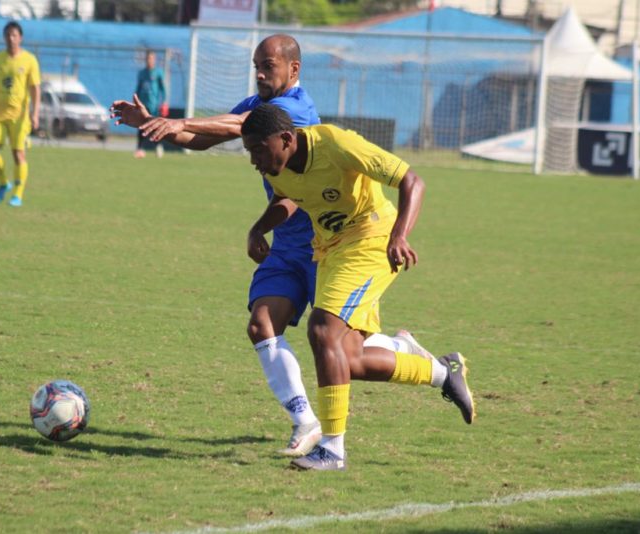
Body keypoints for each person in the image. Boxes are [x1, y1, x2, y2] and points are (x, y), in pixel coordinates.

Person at [112, 35, 435, 458]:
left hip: (331, 243)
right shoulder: (258, 109)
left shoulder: (295, 112)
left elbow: (233, 126)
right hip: (288, 241)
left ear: (293, 71)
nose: (261, 74)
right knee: (261, 325)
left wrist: (181, 121)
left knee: (346, 352)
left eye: (269, 66)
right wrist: (155, 124)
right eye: (256, 66)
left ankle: (403, 355)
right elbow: (212, 138)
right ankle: (306, 421)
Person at [240, 103, 476, 471]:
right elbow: (288, 197)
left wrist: (400, 235)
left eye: (257, 149)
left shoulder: (336, 144)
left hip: (373, 241)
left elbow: (412, 180)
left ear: (286, 139)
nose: (253, 160)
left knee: (322, 330)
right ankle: (443, 373)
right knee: (347, 359)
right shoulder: (278, 167)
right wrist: (259, 227)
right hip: (331, 252)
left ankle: (332, 450)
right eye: (248, 151)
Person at [0, 21, 40, 208]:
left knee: (18, 154)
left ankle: (17, 194)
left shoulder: (29, 60)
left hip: (19, 116)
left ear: (20, 38)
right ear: (4, 38)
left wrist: (35, 114)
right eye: (8, 35)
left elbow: (35, 89)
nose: (11, 39)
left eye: (14, 35)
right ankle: (4, 182)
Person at [134, 50, 167, 159]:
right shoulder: (142, 73)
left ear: (154, 60)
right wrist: (136, 100)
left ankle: (158, 147)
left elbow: (162, 89)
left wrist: (164, 102)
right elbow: (138, 89)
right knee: (141, 126)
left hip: (155, 105)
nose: (149, 61)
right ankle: (139, 149)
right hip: (143, 104)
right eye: (148, 58)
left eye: (152, 58)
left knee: (154, 127)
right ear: (145, 60)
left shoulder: (158, 72)